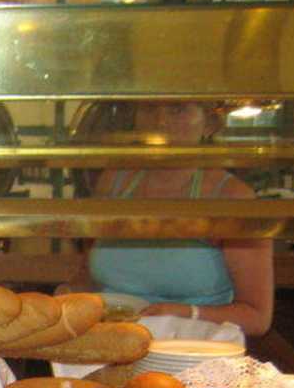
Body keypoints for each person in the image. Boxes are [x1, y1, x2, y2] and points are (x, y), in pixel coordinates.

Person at [71, 101, 274, 337]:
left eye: (178, 109)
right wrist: (72, 292)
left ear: (209, 123)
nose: (160, 121)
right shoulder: (114, 182)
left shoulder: (232, 197)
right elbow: (88, 272)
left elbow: (257, 317)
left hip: (194, 343)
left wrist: (184, 313)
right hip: (111, 339)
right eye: (149, 109)